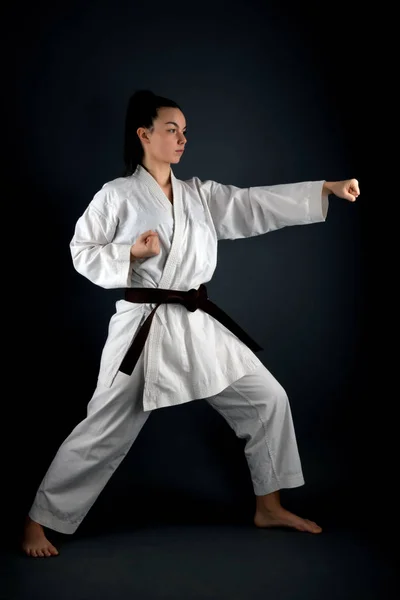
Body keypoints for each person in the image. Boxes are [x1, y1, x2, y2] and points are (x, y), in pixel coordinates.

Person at [22, 89, 360, 557]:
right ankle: (38, 521)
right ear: (144, 134)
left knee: (267, 399)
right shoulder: (117, 195)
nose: (182, 139)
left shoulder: (198, 194)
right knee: (102, 429)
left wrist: (322, 189)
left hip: (197, 322)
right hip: (145, 327)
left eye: (185, 131)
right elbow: (81, 251)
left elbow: (252, 204)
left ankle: (269, 505)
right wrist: (131, 253)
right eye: (171, 129)